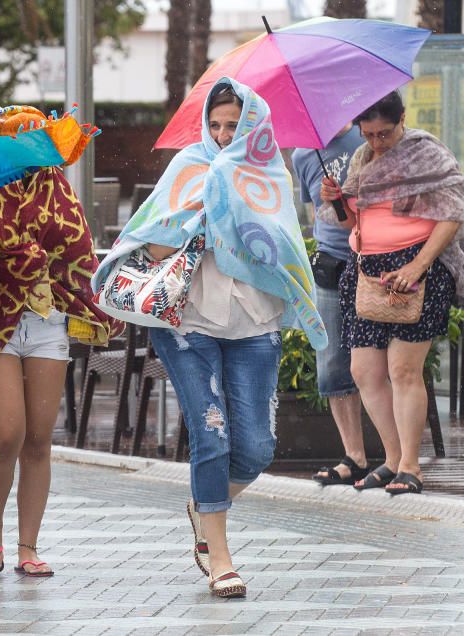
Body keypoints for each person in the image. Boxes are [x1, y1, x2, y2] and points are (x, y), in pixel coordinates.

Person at [94, 78, 326, 598]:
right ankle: (219, 557)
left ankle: (204, 504)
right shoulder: (188, 167)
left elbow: (282, 247)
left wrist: (236, 217)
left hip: (255, 320)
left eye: (233, 125)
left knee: (258, 448)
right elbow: (147, 245)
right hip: (186, 320)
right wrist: (198, 218)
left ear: (253, 127)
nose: (223, 135)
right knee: (212, 433)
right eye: (216, 125)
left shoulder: (269, 173)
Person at [0, 166, 120, 579]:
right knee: (6, 433)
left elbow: (80, 252)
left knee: (38, 438)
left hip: (46, 319)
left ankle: (28, 546)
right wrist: (21, 256)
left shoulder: (59, 189)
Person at [320, 91, 464, 496]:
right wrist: (337, 201)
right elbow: (354, 218)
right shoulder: (362, 158)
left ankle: (411, 467)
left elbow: (452, 214)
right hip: (369, 272)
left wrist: (418, 266)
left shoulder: (428, 153)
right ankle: (392, 458)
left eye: (384, 133)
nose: (376, 142)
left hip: (419, 270)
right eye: (368, 134)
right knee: (364, 372)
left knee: (403, 370)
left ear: (403, 119)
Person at [293, 124, 369, 486]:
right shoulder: (303, 155)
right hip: (329, 264)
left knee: (376, 364)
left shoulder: (368, 137)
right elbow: (314, 216)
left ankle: (399, 457)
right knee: (332, 365)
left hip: (372, 263)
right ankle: (354, 456)